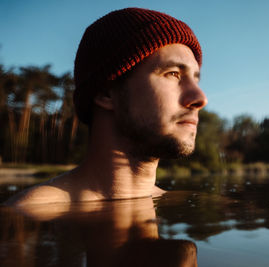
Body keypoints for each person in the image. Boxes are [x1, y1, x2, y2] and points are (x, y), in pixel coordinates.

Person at [5, 7, 207, 206]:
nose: (200, 98)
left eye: (196, 80)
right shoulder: (27, 215)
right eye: (173, 74)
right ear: (106, 93)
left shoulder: (190, 202)